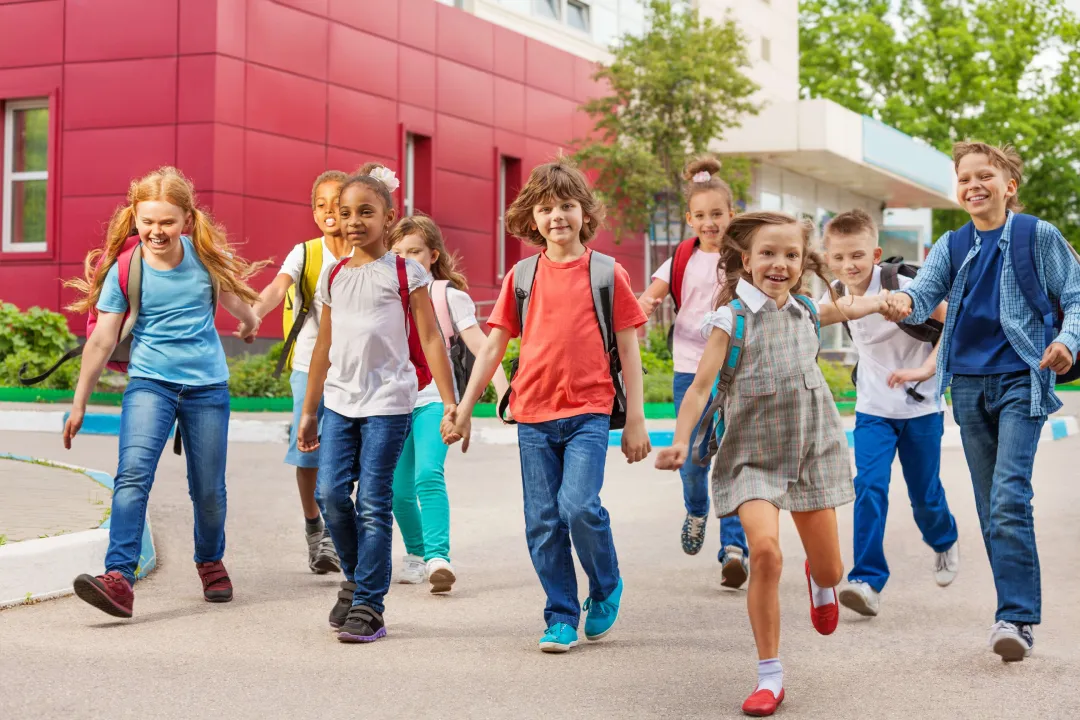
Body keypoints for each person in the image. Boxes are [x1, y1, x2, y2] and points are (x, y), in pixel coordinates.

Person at [656, 211, 895, 716]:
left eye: (790, 255)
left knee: (832, 569)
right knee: (765, 554)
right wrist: (681, 441)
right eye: (768, 254)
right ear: (746, 261)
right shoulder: (731, 320)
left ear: (801, 263)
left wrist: (886, 300)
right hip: (751, 456)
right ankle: (770, 675)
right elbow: (699, 388)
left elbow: (850, 308)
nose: (779, 264)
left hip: (812, 448)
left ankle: (819, 580)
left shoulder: (807, 309)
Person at [443, 158, 651, 653]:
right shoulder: (523, 275)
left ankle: (604, 586)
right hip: (532, 414)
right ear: (531, 219)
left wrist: (637, 419)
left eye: (566, 205)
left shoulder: (606, 272)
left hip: (589, 411)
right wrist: (466, 407)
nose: (557, 216)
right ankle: (560, 614)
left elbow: (628, 349)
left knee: (578, 506)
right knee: (542, 519)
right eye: (545, 208)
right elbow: (493, 346)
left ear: (584, 212)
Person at [887, 142, 1080, 661]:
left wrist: (1067, 341)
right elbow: (922, 295)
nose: (973, 185)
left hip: (1024, 375)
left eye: (984, 176)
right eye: (964, 177)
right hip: (968, 385)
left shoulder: (1037, 235)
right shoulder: (951, 245)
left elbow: (1078, 295)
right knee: (989, 506)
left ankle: (1015, 619)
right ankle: (1011, 612)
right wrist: (899, 300)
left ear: (1008, 185)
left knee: (1009, 497)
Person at [64, 166, 264, 618]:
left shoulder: (206, 259)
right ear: (135, 217)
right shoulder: (125, 268)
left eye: (167, 221)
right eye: (148, 220)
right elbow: (102, 340)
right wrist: (80, 401)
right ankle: (118, 577)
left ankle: (210, 561)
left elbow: (239, 304)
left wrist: (250, 326)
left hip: (207, 388)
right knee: (132, 476)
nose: (157, 230)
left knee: (208, 489)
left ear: (186, 220)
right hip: (150, 383)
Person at [297, 164, 457, 644]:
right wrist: (309, 410)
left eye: (366, 212)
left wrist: (451, 404)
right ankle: (355, 578)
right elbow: (322, 347)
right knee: (329, 495)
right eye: (346, 213)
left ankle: (369, 603)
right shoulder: (334, 274)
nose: (353, 221)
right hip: (339, 403)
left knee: (372, 501)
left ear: (389, 219)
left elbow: (430, 337)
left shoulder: (406, 272)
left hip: (389, 403)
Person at [821, 209, 959, 617]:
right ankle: (866, 580)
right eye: (840, 257)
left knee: (924, 495)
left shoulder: (906, 285)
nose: (850, 265)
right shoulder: (835, 292)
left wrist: (924, 370)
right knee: (869, 488)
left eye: (858, 256)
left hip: (921, 405)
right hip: (873, 409)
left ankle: (944, 539)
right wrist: (874, 304)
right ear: (828, 258)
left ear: (875, 253)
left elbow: (953, 323)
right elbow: (822, 314)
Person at [637, 155, 750, 586]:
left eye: (717, 214)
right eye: (700, 215)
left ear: (731, 215)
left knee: (735, 461)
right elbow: (651, 296)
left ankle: (734, 548)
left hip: (736, 368)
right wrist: (642, 309)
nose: (710, 222)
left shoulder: (743, 258)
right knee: (694, 462)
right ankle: (698, 510)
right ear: (689, 219)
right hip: (689, 369)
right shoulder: (679, 259)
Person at [387, 214, 510, 593]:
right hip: (390, 403)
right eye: (398, 252)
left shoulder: (446, 295)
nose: (406, 259)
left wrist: (505, 393)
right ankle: (416, 553)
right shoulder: (383, 292)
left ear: (432, 255)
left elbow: (482, 346)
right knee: (396, 489)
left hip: (433, 402)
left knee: (427, 474)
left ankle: (438, 556)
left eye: (415, 252)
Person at [252, 170, 349, 575]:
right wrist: (254, 313)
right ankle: (315, 527)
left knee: (347, 455)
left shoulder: (370, 252)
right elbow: (278, 287)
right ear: (313, 211)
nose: (330, 213)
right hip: (310, 366)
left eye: (338, 206)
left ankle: (338, 533)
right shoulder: (306, 253)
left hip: (357, 370)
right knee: (307, 453)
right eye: (322, 205)